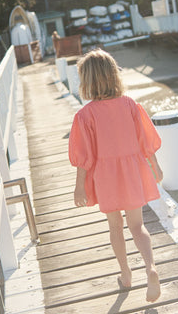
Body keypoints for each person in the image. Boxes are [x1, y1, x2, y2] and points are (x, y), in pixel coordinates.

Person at [68, 48, 163, 303]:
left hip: (106, 176)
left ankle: (126, 274)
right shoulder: (130, 105)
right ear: (114, 75)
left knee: (115, 226)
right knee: (137, 225)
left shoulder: (85, 115)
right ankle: (151, 267)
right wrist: (156, 166)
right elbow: (145, 140)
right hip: (133, 171)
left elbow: (84, 156)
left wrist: (80, 187)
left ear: (86, 81)